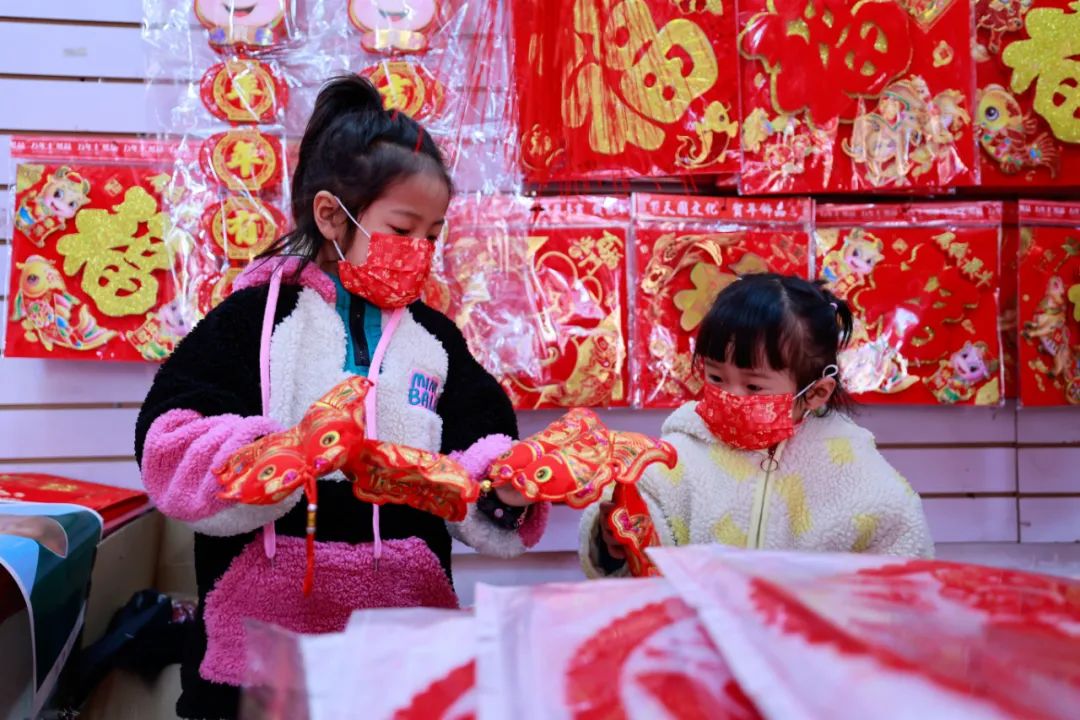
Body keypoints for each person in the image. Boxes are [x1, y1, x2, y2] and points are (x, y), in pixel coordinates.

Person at [135, 75, 548, 720]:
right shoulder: (255, 322)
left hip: (404, 630)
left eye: (432, 235)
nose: (419, 253)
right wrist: (276, 458)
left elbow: (484, 446)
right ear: (332, 216)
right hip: (256, 641)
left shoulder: (434, 341)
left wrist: (507, 490)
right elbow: (169, 437)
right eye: (402, 229)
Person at [581, 273, 933, 577]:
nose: (730, 396)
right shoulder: (678, 456)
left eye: (753, 386)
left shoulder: (854, 471)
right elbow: (642, 536)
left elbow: (904, 564)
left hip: (807, 647)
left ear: (816, 393)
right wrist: (610, 538)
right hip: (700, 642)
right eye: (716, 377)